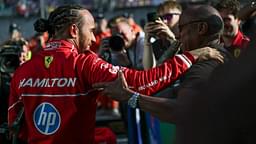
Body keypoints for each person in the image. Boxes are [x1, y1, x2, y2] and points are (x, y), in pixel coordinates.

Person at [8, 4, 223, 144]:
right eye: (91, 31)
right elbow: (143, 83)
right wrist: (191, 56)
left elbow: (14, 129)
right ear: (74, 31)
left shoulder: (21, 71)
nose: (93, 39)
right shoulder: (84, 63)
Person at [92, 5, 231, 144]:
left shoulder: (205, 65)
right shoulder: (217, 54)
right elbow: (159, 88)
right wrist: (171, 54)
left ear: (201, 28)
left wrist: (130, 97)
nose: (178, 34)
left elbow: (182, 111)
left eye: (181, 28)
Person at [143, 0, 182, 69]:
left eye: (168, 16)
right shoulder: (158, 44)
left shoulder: (187, 40)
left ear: (181, 16)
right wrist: (147, 41)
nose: (164, 21)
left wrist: (172, 39)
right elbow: (149, 69)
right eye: (160, 18)